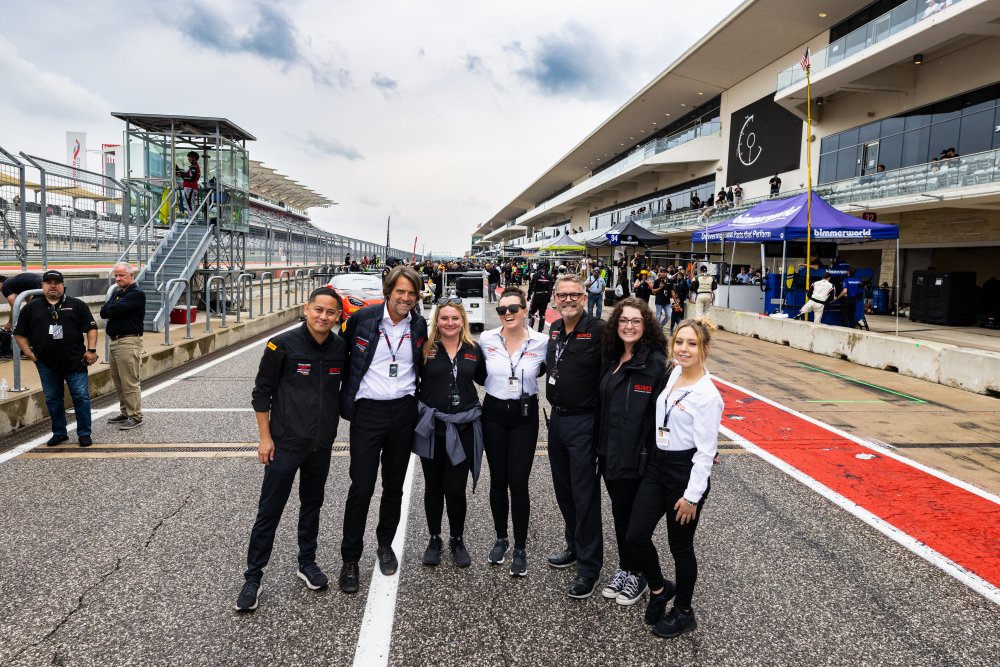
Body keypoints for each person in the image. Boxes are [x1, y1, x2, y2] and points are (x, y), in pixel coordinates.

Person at [237, 287, 347, 612]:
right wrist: (265, 438)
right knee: (269, 511)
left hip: (321, 445)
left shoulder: (341, 348)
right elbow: (261, 392)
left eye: (330, 312)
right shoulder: (281, 344)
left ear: (338, 316)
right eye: (318, 310)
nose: (323, 316)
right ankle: (253, 577)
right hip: (285, 443)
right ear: (307, 309)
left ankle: (307, 562)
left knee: (312, 505)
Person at [627, 317, 724, 639]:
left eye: (692, 344)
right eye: (679, 342)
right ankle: (659, 589)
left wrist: (692, 496)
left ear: (704, 349)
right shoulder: (672, 374)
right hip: (658, 464)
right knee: (636, 534)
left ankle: (684, 611)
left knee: (680, 547)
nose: (684, 349)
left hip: (685, 473)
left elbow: (706, 453)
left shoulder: (708, 396)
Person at [338, 265, 427, 594]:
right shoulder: (363, 319)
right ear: (388, 291)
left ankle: (385, 544)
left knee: (394, 487)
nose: (406, 298)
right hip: (368, 412)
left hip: (403, 411)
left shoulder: (418, 324)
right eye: (400, 291)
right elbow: (341, 354)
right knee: (361, 487)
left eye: (412, 293)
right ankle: (350, 558)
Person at [597, 298, 667, 607]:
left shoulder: (656, 364)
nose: (629, 326)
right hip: (610, 454)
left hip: (638, 457)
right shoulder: (613, 357)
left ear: (646, 325)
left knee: (635, 523)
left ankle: (639, 574)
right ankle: (626, 567)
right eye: (624, 320)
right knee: (620, 514)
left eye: (636, 321)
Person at [545, 274, 606, 599]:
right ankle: (573, 545)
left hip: (584, 422)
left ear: (584, 297)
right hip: (557, 420)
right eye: (563, 295)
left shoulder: (599, 331)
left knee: (584, 496)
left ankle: (589, 566)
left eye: (574, 295)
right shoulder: (555, 328)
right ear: (555, 298)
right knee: (564, 491)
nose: (568, 300)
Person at [479, 288, 548, 576]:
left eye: (513, 309)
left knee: (518, 482)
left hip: (524, 415)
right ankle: (501, 538)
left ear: (525, 310)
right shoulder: (487, 339)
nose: (507, 314)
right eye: (502, 310)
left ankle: (520, 546)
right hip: (493, 413)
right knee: (498, 479)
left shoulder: (542, 341)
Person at [413, 298, 485, 569]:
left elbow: (487, 379)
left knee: (455, 488)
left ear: (463, 321)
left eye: (455, 318)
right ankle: (434, 538)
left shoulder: (474, 350)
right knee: (433, 486)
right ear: (437, 321)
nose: (450, 323)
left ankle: (457, 538)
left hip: (463, 428)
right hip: (432, 428)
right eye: (444, 318)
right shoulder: (425, 349)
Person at [13, 270, 97, 447]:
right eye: (49, 283)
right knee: (52, 398)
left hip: (75, 361)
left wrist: (91, 350)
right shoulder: (31, 308)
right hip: (46, 363)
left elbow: (91, 328)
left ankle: (84, 433)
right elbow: (19, 333)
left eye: (57, 283)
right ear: (42, 285)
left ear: (63, 285)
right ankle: (59, 433)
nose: (53, 286)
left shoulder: (77, 305)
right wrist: (28, 353)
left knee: (81, 397)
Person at [100, 262, 146, 431]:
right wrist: (111, 308)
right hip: (115, 341)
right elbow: (104, 312)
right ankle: (126, 412)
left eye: (121, 275)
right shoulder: (119, 293)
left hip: (128, 341)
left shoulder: (136, 294)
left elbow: (112, 310)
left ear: (131, 275)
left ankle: (135, 416)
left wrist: (111, 308)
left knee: (129, 381)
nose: (118, 279)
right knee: (118, 380)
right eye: (116, 276)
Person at [526, 263, 553, 332]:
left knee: (532, 313)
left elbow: (531, 286)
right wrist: (549, 297)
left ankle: (530, 329)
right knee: (542, 314)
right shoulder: (549, 276)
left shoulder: (536, 275)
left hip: (537, 296)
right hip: (545, 296)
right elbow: (550, 288)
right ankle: (540, 330)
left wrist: (529, 295)